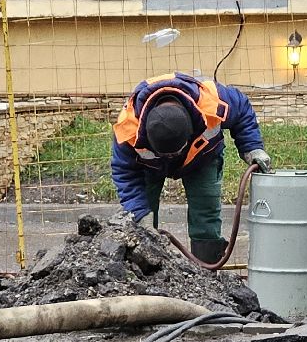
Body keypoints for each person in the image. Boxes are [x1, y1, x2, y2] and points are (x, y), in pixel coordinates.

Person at [111, 72, 270, 264]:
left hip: (201, 158)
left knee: (206, 209)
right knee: (141, 222)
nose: (172, 158)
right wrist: (139, 214)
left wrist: (252, 147)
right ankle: (143, 267)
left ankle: (208, 268)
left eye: (175, 152)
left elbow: (242, 110)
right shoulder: (129, 128)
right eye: (166, 154)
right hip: (148, 167)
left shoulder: (212, 101)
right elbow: (125, 174)